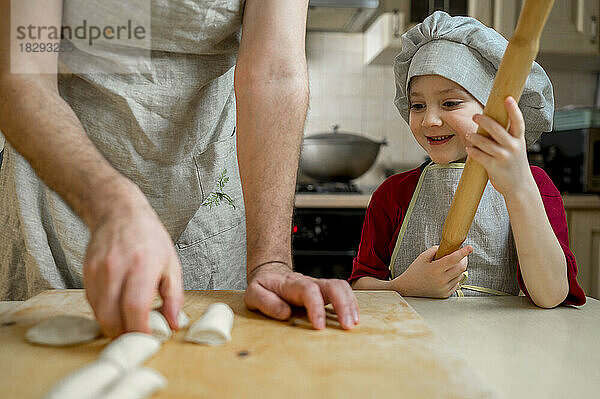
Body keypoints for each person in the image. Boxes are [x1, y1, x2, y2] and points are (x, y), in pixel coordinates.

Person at [0, 0, 359, 336]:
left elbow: (275, 72)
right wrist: (112, 205)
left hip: (207, 195)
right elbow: (24, 74)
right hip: (60, 187)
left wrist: (271, 261)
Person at [350, 11, 586, 308]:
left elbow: (551, 295)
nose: (429, 120)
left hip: (507, 348)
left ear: (494, 110)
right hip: (414, 342)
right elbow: (360, 285)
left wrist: (519, 189)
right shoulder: (393, 193)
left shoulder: (533, 185)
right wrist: (403, 287)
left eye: (450, 103)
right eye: (417, 105)